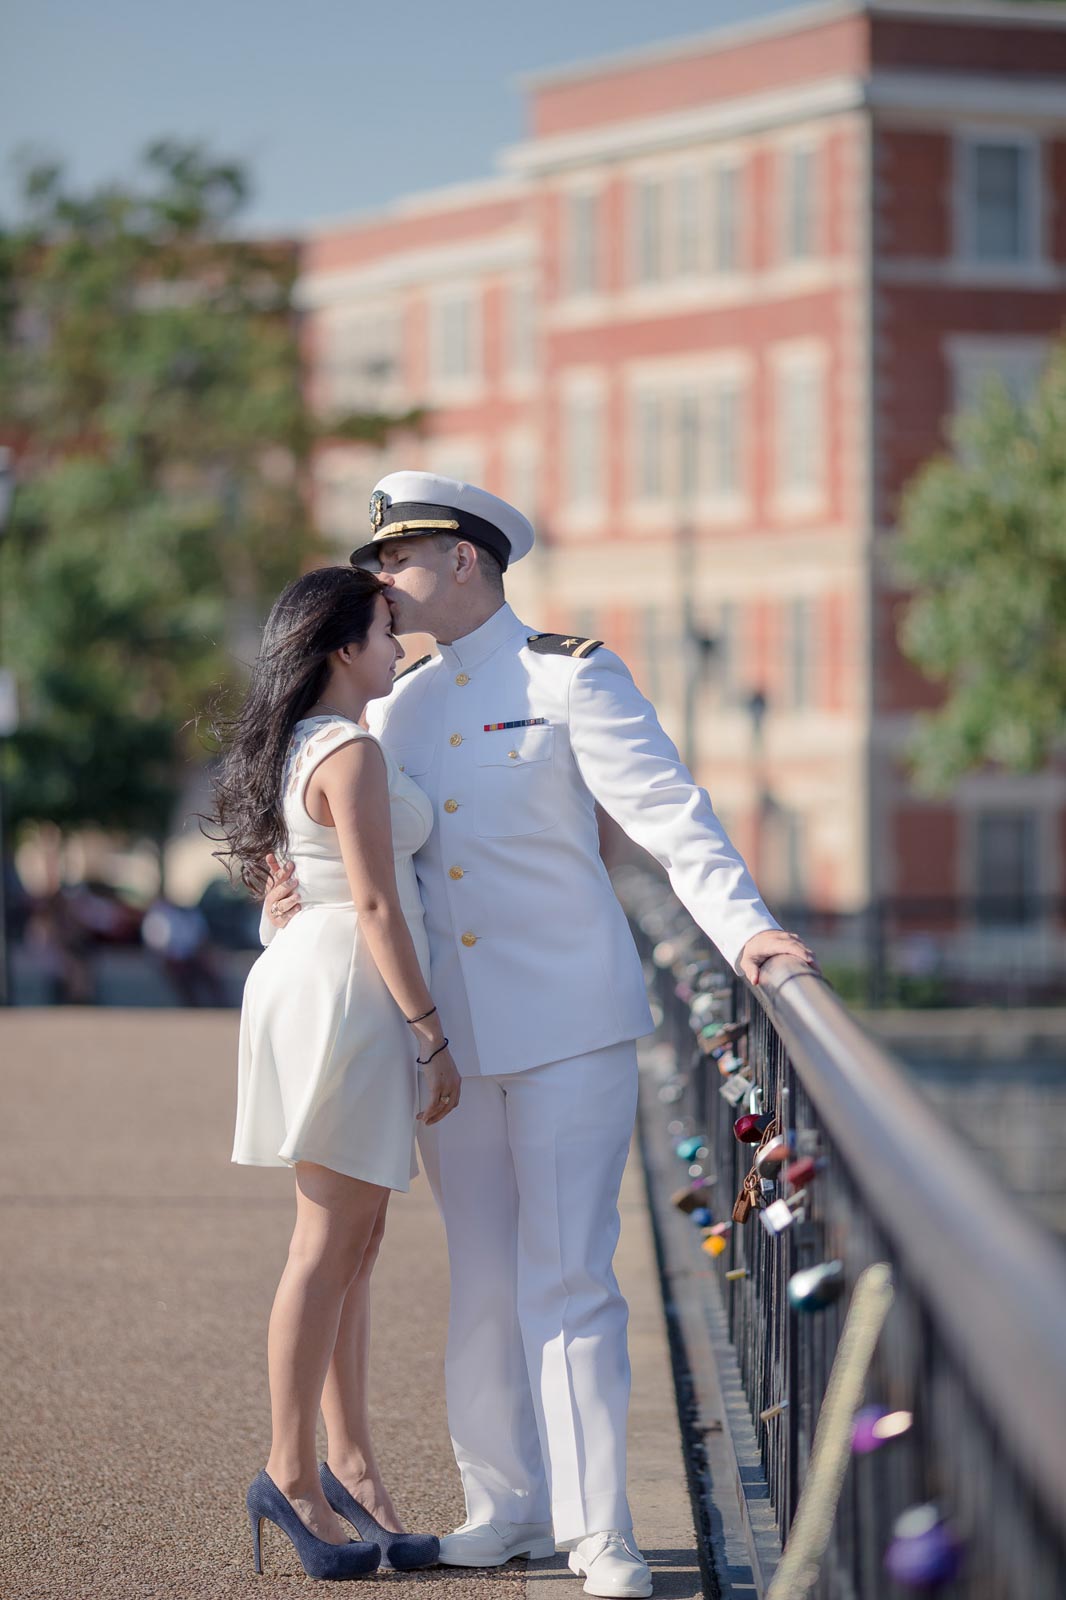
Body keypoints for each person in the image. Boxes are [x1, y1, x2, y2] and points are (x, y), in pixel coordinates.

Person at [263, 473, 818, 1598]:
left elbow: (670, 816)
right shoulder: (398, 706)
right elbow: (348, 853)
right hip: (450, 1044)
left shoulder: (571, 676)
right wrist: (280, 906)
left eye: (398, 557)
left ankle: (599, 1530)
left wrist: (751, 935)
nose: (380, 578)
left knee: (569, 1279)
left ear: (466, 558)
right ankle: (505, 1504)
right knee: (479, 1276)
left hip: (567, 1021)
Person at [212, 564, 459, 1580]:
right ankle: (292, 1471)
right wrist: (431, 1033)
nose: (399, 646)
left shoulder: (305, 744)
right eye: (386, 629)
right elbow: (373, 906)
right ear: (344, 647)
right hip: (350, 994)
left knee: (353, 1238)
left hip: (317, 979)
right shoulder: (348, 748)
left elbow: (311, 881)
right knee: (326, 1242)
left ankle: (346, 1463)